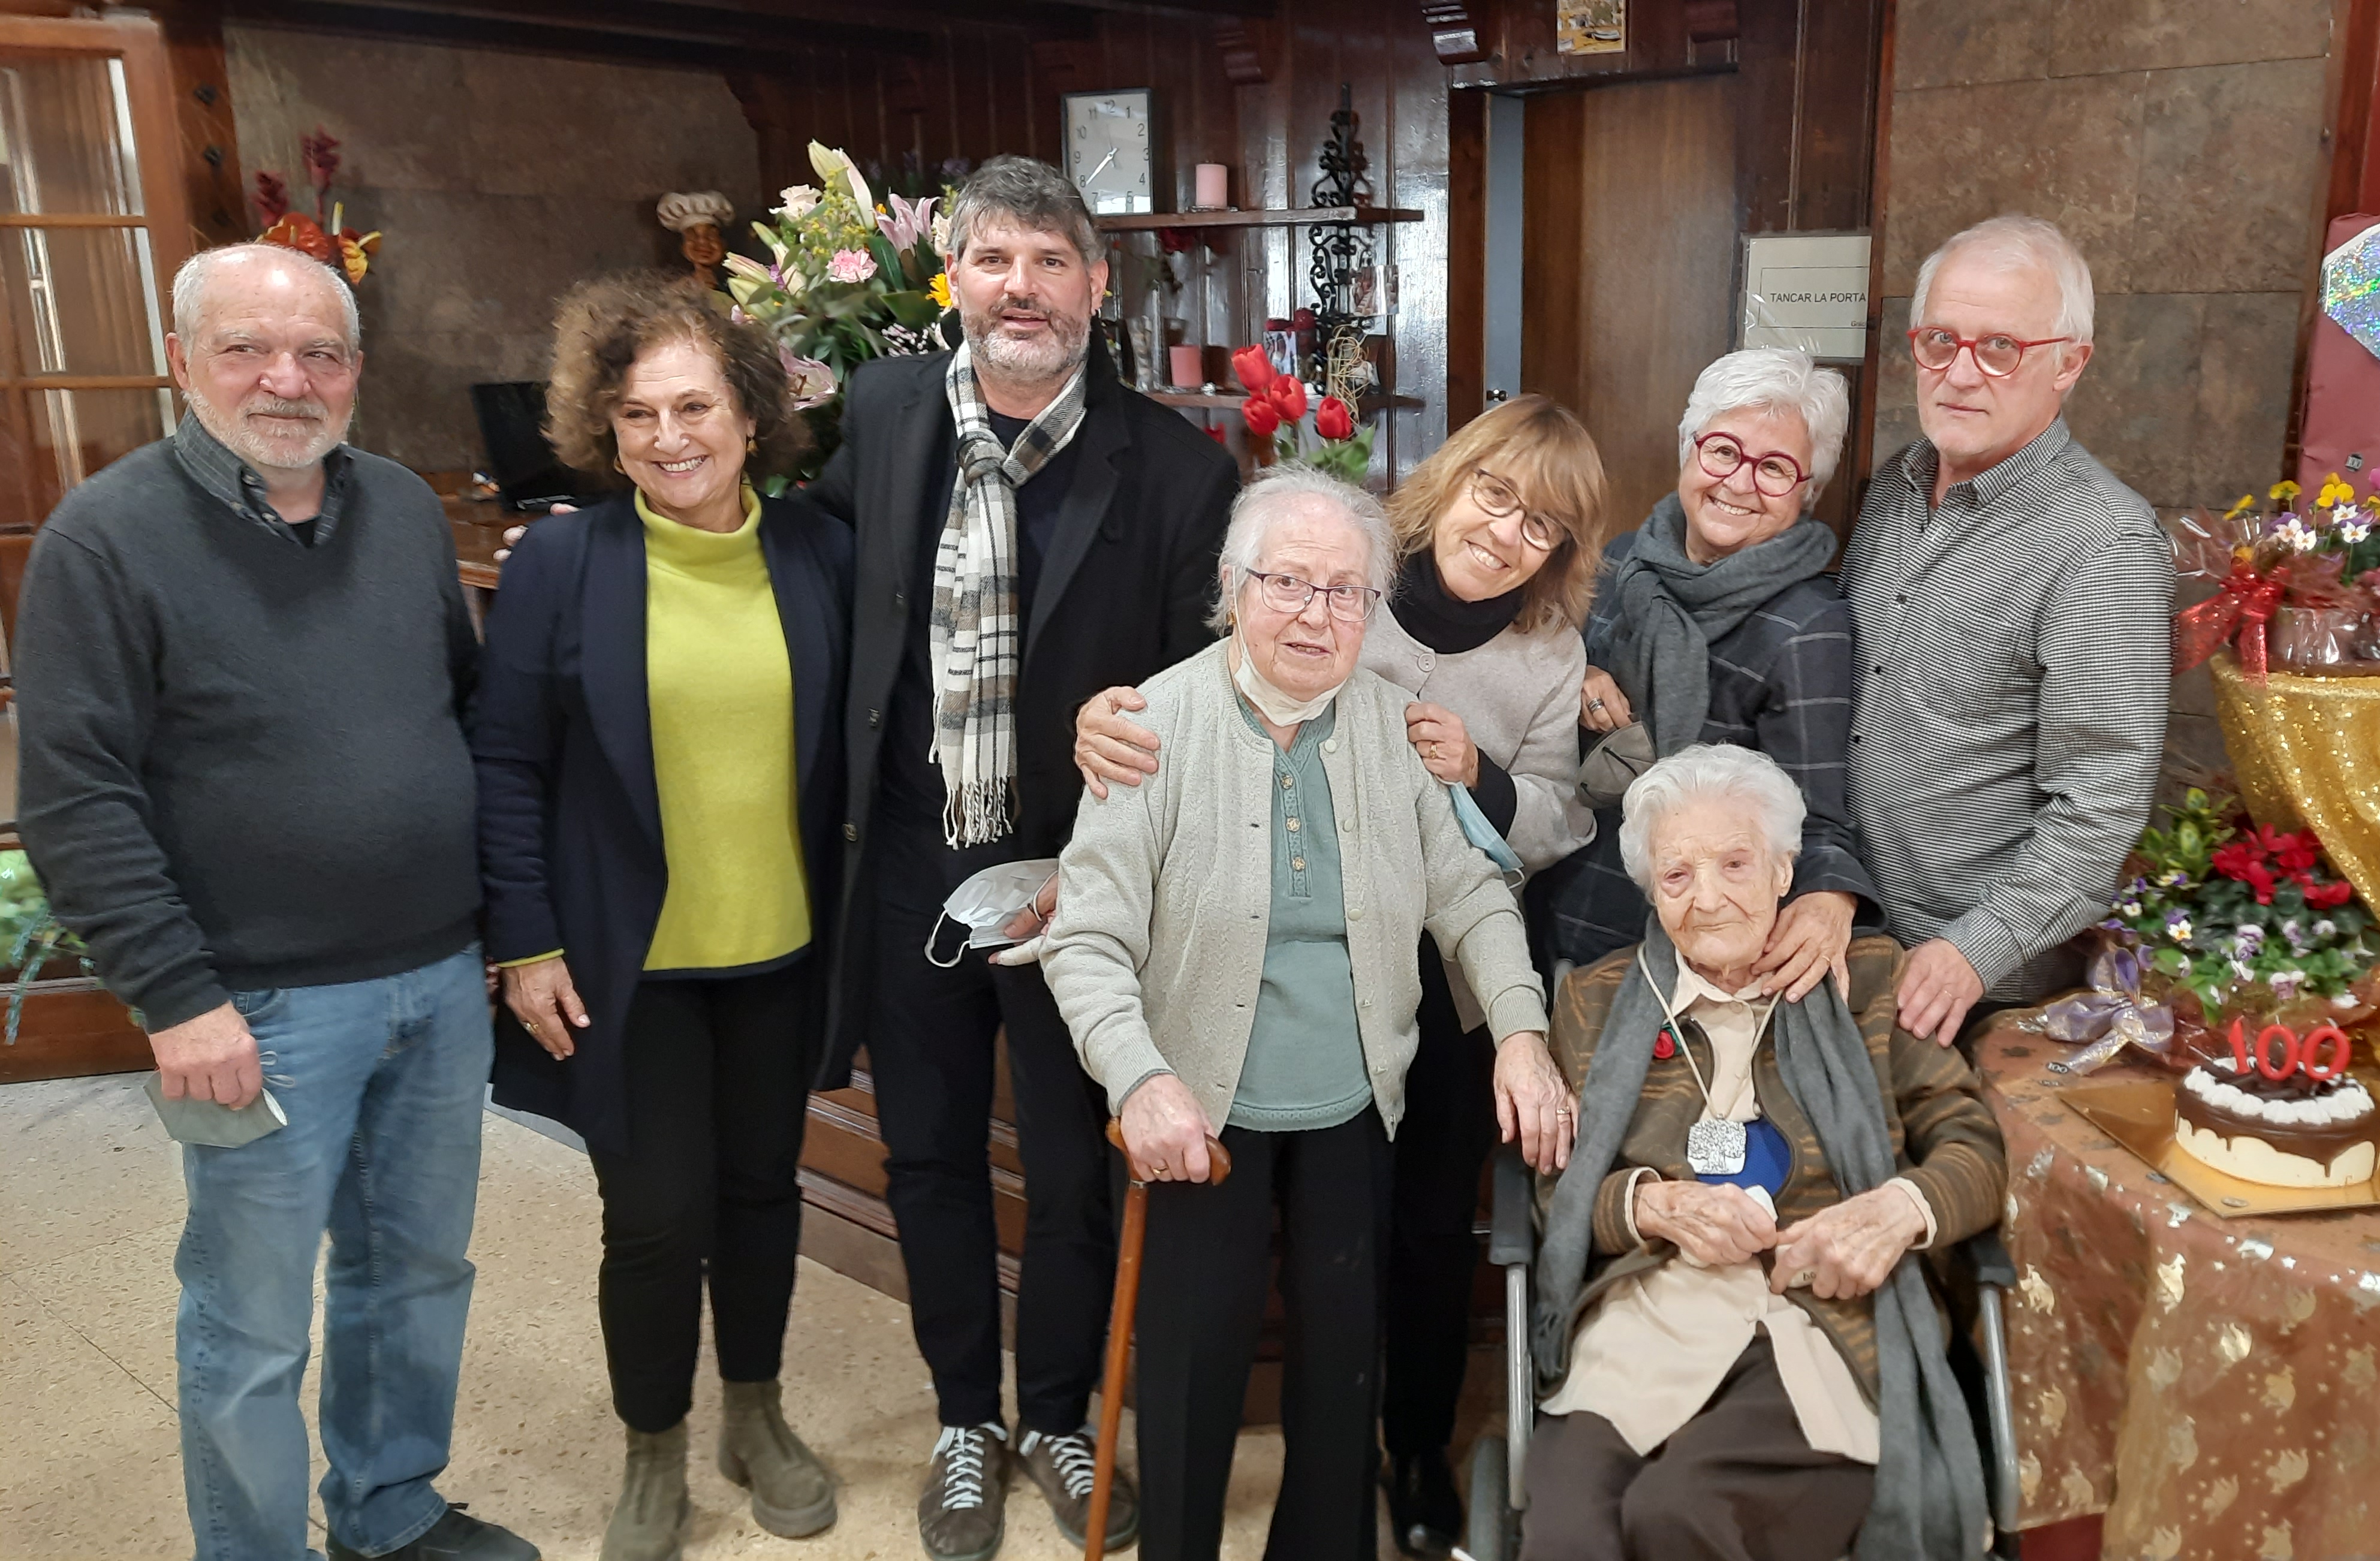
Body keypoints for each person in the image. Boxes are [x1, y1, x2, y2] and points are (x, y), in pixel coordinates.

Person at [13, 244, 534, 1561]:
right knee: (248, 1321)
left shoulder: (406, 512)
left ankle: (390, 1511)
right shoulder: (105, 536)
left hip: (433, 980)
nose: (286, 379)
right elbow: (75, 794)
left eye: (320, 353)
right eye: (246, 348)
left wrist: (498, 926)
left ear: (357, 371)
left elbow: (458, 720)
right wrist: (177, 1001)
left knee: (415, 1275)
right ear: (183, 361)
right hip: (250, 1004)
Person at [1068, 394, 1612, 1552]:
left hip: (1358, 1094)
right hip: (1199, 1102)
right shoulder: (1150, 725)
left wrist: (1517, 1029)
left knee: (1337, 1372)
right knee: (1189, 1360)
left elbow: (1472, 892)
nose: (1316, 614)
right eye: (1287, 584)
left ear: (1371, 606)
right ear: (1234, 587)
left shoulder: (1397, 726)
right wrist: (1137, 1077)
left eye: (1343, 592)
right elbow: (1087, 936)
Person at [797, 153, 1240, 1559]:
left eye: (1053, 263)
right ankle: (958, 1418)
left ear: (1096, 288)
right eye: (996, 259)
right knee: (924, 1153)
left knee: (1066, 1162)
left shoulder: (1174, 468)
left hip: (1076, 884)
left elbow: (1203, 690)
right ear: (957, 278)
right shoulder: (879, 416)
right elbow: (832, 603)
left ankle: (1051, 1410)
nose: (1022, 288)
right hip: (913, 863)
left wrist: (1130, 750)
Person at [472, 275, 854, 1559]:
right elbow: (508, 762)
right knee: (650, 1217)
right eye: (636, 415)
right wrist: (521, 941)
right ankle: (653, 1451)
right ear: (603, 429)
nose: (667, 437)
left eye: (693, 405)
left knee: (760, 1194)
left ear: (749, 415)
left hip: (778, 955)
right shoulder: (565, 564)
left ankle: (755, 1413)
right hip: (623, 965)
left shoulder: (816, 552)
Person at [1525, 745, 2005, 1561]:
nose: (1708, 899)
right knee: (1572, 1534)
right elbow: (1558, 1187)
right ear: (1650, 891)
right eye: (1676, 877)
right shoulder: (1595, 998)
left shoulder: (1874, 978)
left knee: (1681, 1516)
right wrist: (1651, 1205)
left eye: (1736, 864)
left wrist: (1897, 1211)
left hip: (1824, 1326)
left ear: (1787, 871)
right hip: (1650, 1320)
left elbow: (1972, 1148)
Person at [1841, 214, 2173, 1051]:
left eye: (1999, 348)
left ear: (2070, 363)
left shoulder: (2103, 545)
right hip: (1842, 929)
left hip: (1965, 989)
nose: (1959, 373)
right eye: (1940, 340)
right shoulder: (1893, 486)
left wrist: (1971, 951)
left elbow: (2100, 808)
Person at [1538, 348, 1873, 997]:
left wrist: (1833, 894)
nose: (1739, 482)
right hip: (1559, 894)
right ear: (1689, 449)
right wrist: (1571, 674)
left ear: (1809, 493)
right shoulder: (1621, 560)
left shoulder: (1807, 626)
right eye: (1723, 451)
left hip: (1685, 953)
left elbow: (1815, 816)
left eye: (1774, 468)